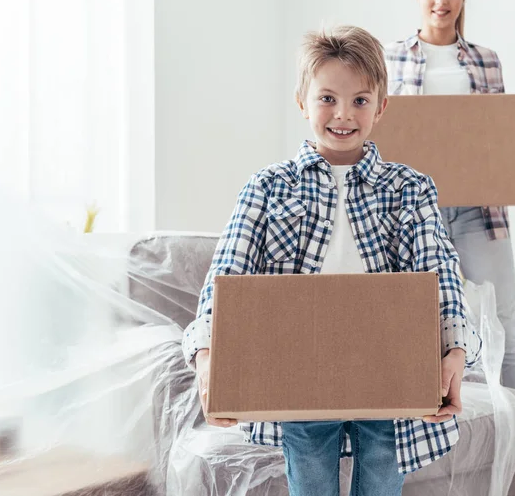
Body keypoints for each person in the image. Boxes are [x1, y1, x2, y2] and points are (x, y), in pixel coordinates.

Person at [182, 25, 481, 496]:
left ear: (381, 106)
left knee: (381, 484)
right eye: (327, 99)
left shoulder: (410, 189)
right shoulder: (267, 187)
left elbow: (440, 274)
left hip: (392, 375)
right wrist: (206, 356)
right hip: (299, 376)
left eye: (360, 101)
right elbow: (226, 277)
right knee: (312, 486)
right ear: (302, 101)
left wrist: (455, 350)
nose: (343, 114)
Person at [385, 0, 515, 395]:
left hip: (477, 211)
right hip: (415, 212)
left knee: (504, 325)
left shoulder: (486, 60)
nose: (441, 0)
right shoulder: (389, 58)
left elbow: (497, 137)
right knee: (415, 329)